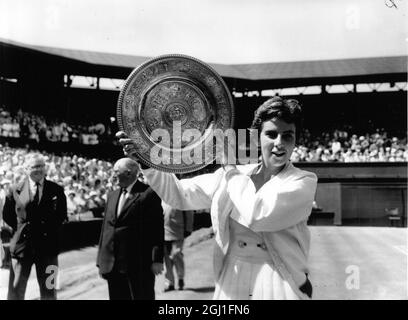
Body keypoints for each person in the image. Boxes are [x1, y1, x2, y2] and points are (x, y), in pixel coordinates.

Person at [118, 96, 318, 300]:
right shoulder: (230, 175)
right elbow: (179, 195)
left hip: (280, 281)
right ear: (257, 138)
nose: (279, 143)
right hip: (232, 278)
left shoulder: (303, 181)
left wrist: (230, 168)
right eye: (271, 134)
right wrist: (146, 159)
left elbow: (258, 216)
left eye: (288, 136)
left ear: (296, 141)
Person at [96, 158, 164, 300]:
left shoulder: (148, 194)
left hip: (138, 264)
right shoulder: (112, 195)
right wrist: (100, 260)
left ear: (128, 173)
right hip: (112, 264)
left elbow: (156, 229)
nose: (112, 176)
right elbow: (106, 229)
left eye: (116, 172)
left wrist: (157, 259)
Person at [2, 153, 67, 300]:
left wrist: (46, 230)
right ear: (26, 169)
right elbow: (8, 215)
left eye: (42, 166)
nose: (39, 169)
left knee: (50, 290)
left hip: (48, 248)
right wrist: (22, 228)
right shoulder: (14, 190)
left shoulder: (57, 189)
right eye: (35, 166)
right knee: (15, 291)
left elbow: (61, 215)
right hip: (22, 247)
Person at [162, 202, 194, 292]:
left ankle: (180, 278)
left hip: (178, 232)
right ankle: (169, 283)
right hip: (164, 233)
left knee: (176, 255)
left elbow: (189, 213)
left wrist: (188, 229)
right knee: (167, 259)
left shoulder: (180, 198)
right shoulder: (162, 198)